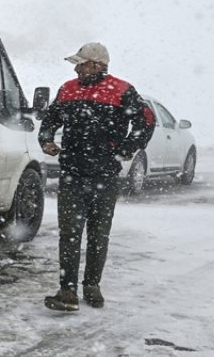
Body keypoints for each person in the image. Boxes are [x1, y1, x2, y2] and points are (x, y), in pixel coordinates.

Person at [37, 42, 154, 312]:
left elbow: (146, 120)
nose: (77, 68)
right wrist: (46, 141)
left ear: (98, 65)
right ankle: (67, 292)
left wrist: (126, 148)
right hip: (72, 173)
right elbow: (51, 120)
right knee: (69, 233)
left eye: (82, 63)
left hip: (105, 175)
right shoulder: (67, 89)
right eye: (76, 64)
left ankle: (92, 286)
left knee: (99, 234)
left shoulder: (122, 90)